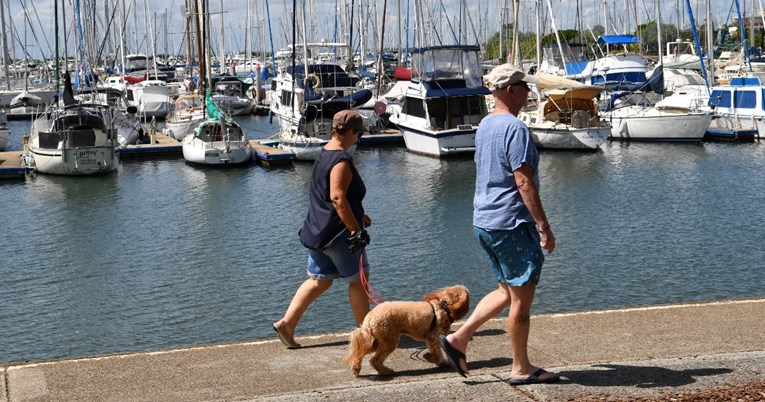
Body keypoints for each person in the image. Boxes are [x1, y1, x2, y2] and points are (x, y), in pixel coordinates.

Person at [439, 64, 560, 385]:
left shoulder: (486, 125)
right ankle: (521, 368)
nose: (528, 92)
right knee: (521, 298)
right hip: (511, 223)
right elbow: (523, 182)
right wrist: (543, 226)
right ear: (509, 90)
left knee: (505, 290)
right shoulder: (516, 129)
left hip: (485, 221)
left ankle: (458, 339)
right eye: (523, 87)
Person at [273, 110, 372, 349]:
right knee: (359, 281)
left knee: (320, 280)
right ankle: (366, 336)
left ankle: (287, 324)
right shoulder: (341, 160)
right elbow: (337, 198)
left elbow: (331, 195)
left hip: (317, 231)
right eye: (358, 133)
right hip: (339, 236)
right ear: (348, 132)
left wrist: (360, 214)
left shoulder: (324, 153)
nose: (359, 137)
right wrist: (355, 231)